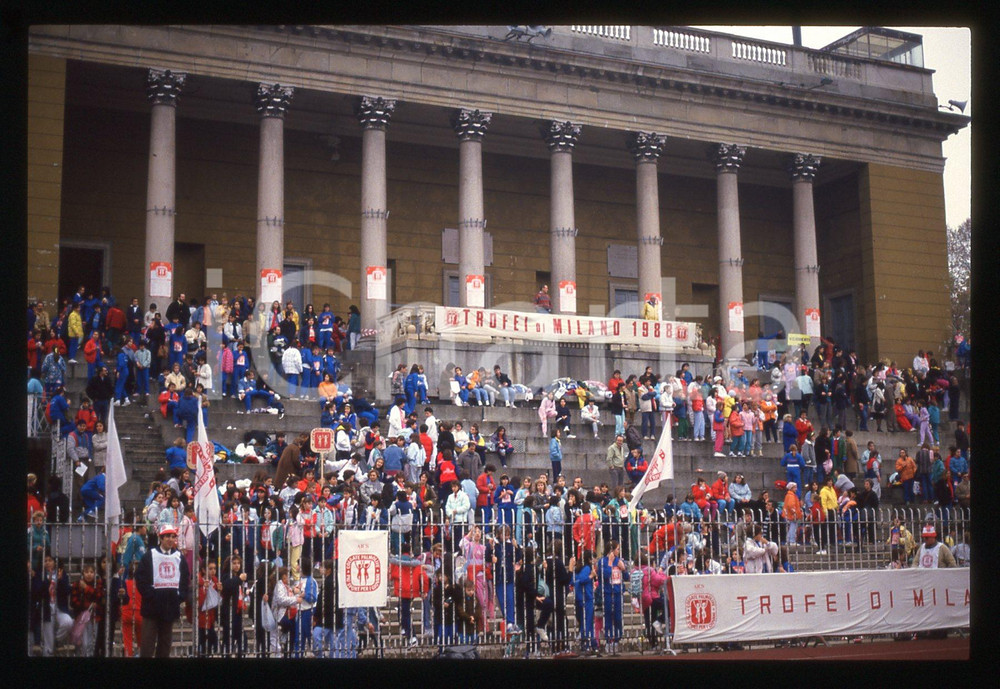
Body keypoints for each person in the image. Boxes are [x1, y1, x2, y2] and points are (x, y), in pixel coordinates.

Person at [136, 524, 191, 657]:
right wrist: (151, 595)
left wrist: (179, 596)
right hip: (151, 607)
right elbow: (141, 578)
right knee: (147, 644)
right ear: (161, 538)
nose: (170, 539)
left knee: (165, 645)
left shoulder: (179, 556)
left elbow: (185, 578)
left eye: (173, 536)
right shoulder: (149, 555)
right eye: (167, 536)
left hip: (170, 607)